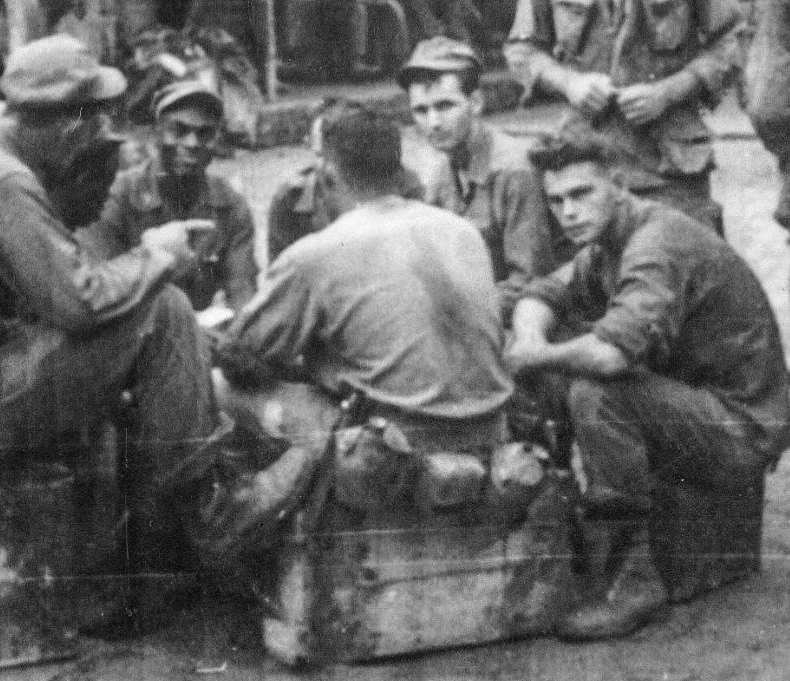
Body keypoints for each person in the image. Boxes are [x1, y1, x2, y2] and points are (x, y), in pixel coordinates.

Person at [0, 35, 219, 588]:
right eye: (95, 123)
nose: (98, 137)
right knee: (164, 309)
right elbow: (79, 302)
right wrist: (158, 253)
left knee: (131, 324)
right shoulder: (1, 177)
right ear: (70, 128)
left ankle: (140, 528)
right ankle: (196, 508)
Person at [505, 135, 790, 640]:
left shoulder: (657, 242)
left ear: (618, 186)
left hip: (740, 429)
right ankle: (573, 528)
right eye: (556, 201)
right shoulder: (607, 242)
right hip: (696, 410)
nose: (568, 212)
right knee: (549, 375)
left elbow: (611, 355)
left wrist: (536, 354)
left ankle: (636, 579)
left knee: (599, 391)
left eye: (581, 194)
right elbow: (543, 290)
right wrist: (530, 340)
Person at [217, 105, 512, 465]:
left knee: (221, 386)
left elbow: (238, 354)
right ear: (399, 171)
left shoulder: (317, 253)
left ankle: (261, 510)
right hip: (491, 427)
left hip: (394, 443)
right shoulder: (460, 230)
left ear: (328, 172)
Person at [503, 0, 743, 232]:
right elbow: (522, 49)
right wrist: (569, 83)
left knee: (679, 254)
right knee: (590, 265)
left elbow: (733, 40)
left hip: (668, 163)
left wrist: (668, 92)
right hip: (583, 158)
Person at [398, 37, 560, 322]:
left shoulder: (514, 170)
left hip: (527, 317)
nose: (433, 123)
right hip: (477, 309)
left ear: (475, 102)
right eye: (421, 111)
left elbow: (531, 282)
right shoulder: (442, 169)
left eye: (445, 106)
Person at [80, 78, 258, 312]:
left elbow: (242, 292)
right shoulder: (117, 196)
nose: (192, 143)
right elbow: (99, 287)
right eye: (179, 130)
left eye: (205, 134)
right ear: (156, 133)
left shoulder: (231, 206)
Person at [266, 99, 425, 263]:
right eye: (320, 155)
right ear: (309, 145)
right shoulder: (292, 198)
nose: (327, 167)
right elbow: (282, 270)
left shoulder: (404, 185)